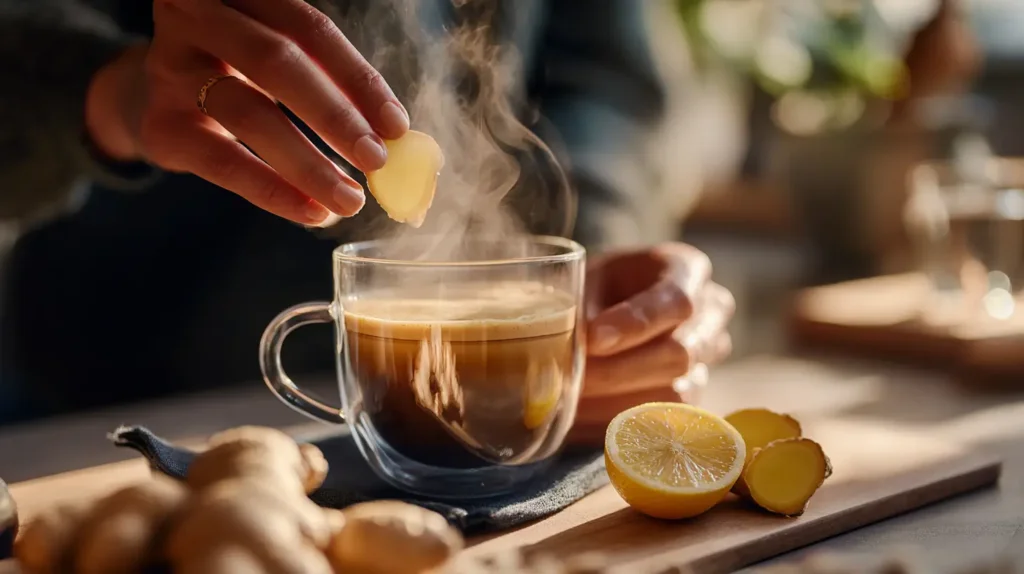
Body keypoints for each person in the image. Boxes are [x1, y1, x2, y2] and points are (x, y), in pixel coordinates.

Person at [0, 0, 733, 440]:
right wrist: (106, 88)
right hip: (104, 413)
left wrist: (588, 258)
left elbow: (604, 75)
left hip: (487, 424)